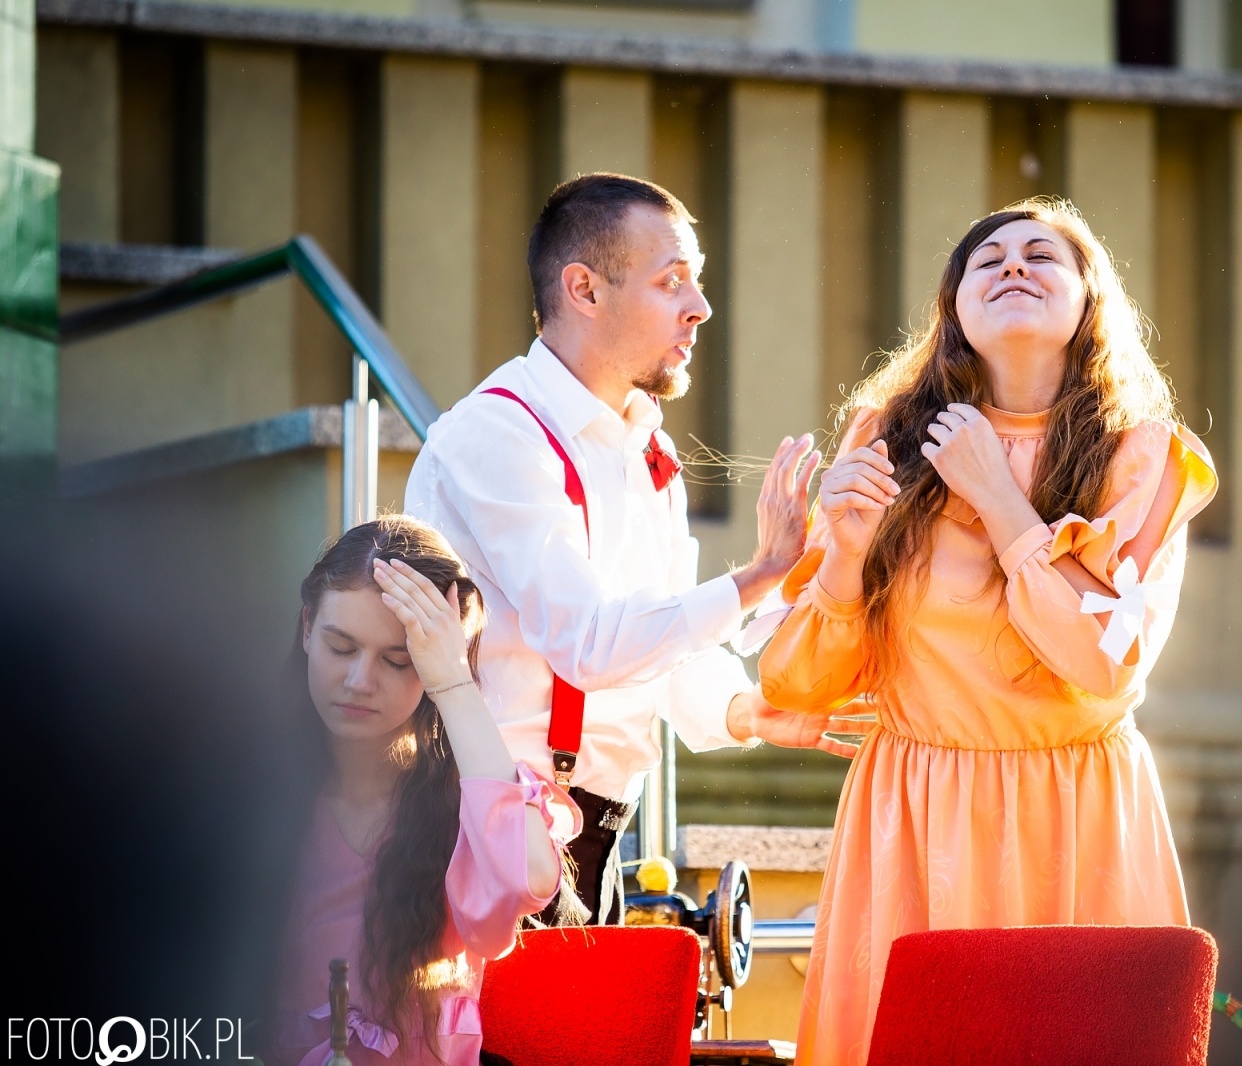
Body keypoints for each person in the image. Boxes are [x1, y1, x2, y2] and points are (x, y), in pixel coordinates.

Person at [758, 198, 1219, 1065]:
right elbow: (796, 685)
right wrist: (846, 556)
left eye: (1041, 255)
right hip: (915, 818)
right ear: (954, 308)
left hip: (1079, 820)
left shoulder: (1143, 455)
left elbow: (1104, 666)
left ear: (1089, 298)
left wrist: (999, 500)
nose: (1013, 264)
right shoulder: (886, 439)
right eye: (988, 258)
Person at [406, 172, 855, 926]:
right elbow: (589, 642)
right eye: (671, 281)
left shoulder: (647, 448)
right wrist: (759, 576)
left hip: (597, 834)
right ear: (584, 289)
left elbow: (661, 648)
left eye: (697, 281)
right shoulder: (497, 434)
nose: (700, 307)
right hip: (489, 828)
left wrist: (747, 711)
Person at [271, 516, 578, 1066]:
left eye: (399, 660)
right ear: (307, 628)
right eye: (341, 647)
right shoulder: (248, 788)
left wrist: (455, 683)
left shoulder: (468, 796)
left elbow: (528, 878)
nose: (360, 681)